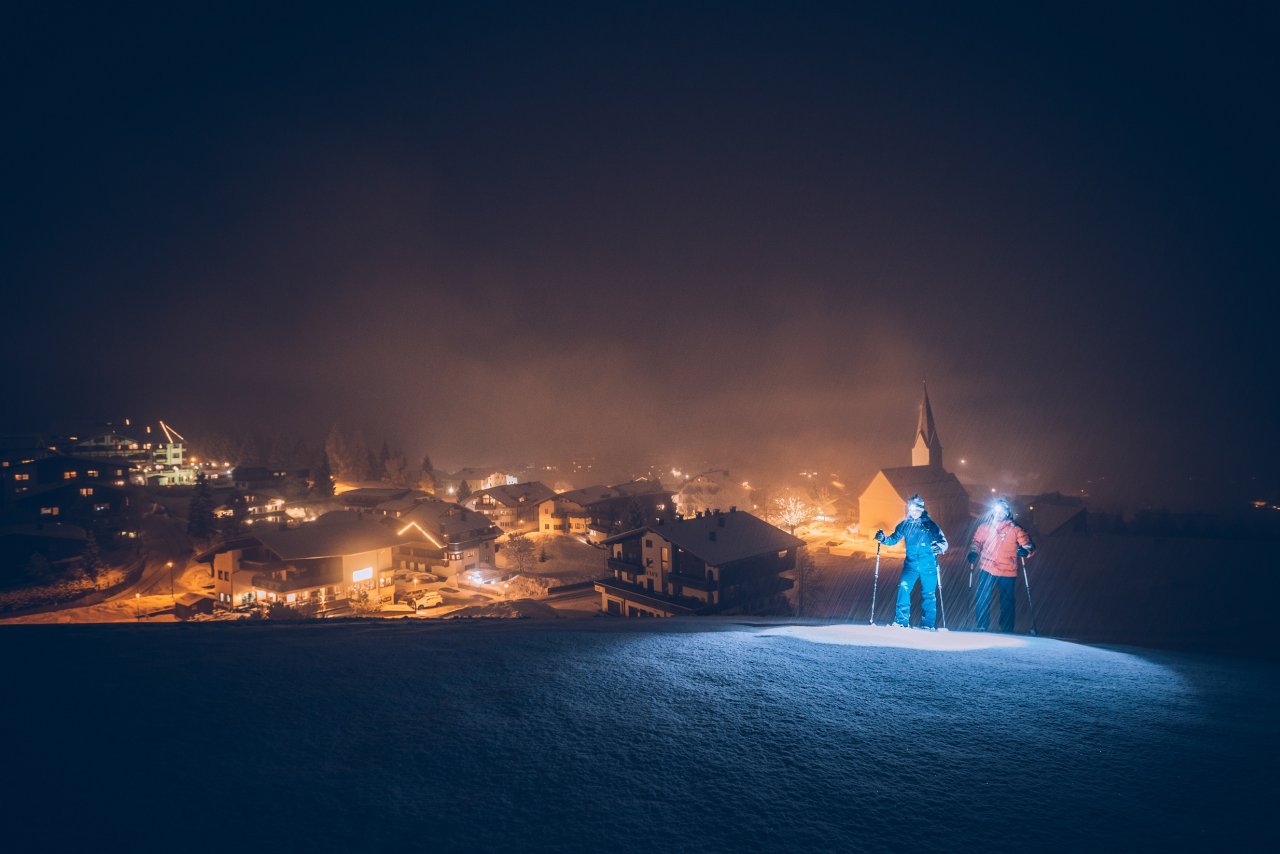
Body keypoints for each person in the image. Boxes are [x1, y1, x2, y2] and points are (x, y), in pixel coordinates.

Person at [875, 494, 948, 630]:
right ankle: (901, 621)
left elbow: (944, 542)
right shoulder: (905, 525)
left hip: (929, 566)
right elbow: (893, 539)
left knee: (929, 594)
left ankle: (928, 625)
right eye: (912, 509)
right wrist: (883, 538)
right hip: (911, 566)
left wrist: (939, 547)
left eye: (917, 509)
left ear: (922, 509)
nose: (914, 512)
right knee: (903, 588)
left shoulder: (930, 525)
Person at [967, 497, 1036, 633]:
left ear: (1007, 513)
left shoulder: (1015, 529)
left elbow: (1028, 545)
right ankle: (982, 626)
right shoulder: (984, 527)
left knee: (1007, 602)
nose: (999, 514)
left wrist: (1026, 551)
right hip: (987, 568)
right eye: (997, 511)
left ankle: (1007, 628)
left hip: (1007, 570)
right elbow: (976, 542)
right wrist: (973, 552)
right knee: (982, 598)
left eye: (1002, 511)